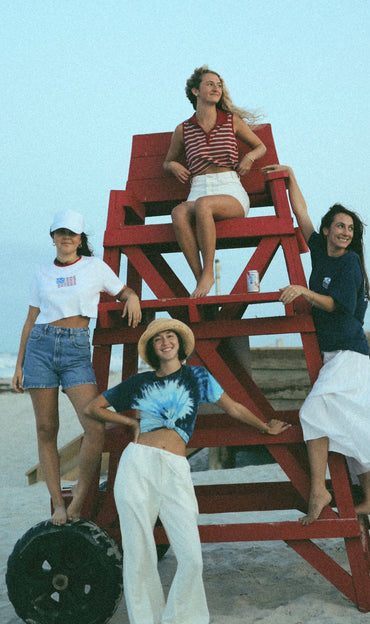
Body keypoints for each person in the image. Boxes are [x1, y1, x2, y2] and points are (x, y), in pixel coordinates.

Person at [85, 317, 291, 624]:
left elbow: (233, 407)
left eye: (170, 336)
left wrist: (264, 426)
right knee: (139, 553)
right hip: (138, 464)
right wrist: (131, 423)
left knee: (192, 558)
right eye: (159, 339)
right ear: (153, 349)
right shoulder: (140, 383)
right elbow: (93, 407)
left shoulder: (198, 377)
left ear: (180, 344)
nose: (165, 342)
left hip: (175, 468)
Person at [262, 164, 370, 526]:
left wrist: (303, 291)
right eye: (340, 226)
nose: (346, 232)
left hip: (349, 353)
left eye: (351, 228)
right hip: (333, 355)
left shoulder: (349, 263)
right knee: (349, 426)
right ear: (328, 230)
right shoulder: (319, 250)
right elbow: (301, 214)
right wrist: (291, 177)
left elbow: (336, 305)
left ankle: (319, 491)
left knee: (312, 413)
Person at [12, 209, 142, 526]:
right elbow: (31, 320)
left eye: (72, 233)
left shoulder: (95, 267)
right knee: (46, 430)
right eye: (60, 233)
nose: (66, 238)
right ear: (53, 237)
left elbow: (122, 291)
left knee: (94, 425)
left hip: (75, 348)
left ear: (81, 238)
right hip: (40, 348)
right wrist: (18, 365)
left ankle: (79, 499)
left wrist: (132, 297)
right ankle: (58, 503)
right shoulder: (42, 273)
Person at [163, 65, 266, 298]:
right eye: (210, 84)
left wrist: (249, 157)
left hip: (229, 189)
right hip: (198, 188)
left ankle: (208, 273)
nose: (216, 88)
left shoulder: (231, 120)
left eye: (219, 85)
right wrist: (174, 165)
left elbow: (260, 146)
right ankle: (201, 278)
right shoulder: (183, 129)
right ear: (195, 91)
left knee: (204, 205)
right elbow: (167, 161)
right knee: (179, 212)